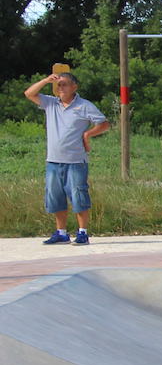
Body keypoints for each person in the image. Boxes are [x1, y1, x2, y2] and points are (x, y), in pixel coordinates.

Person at [23, 72, 110, 245]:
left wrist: (87, 134)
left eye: (64, 85)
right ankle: (61, 233)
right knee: (55, 196)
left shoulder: (84, 106)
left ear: (74, 87)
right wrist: (46, 80)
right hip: (54, 160)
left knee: (78, 195)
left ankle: (82, 233)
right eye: (58, 85)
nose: (60, 88)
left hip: (75, 160)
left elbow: (104, 124)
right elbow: (29, 94)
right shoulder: (50, 103)